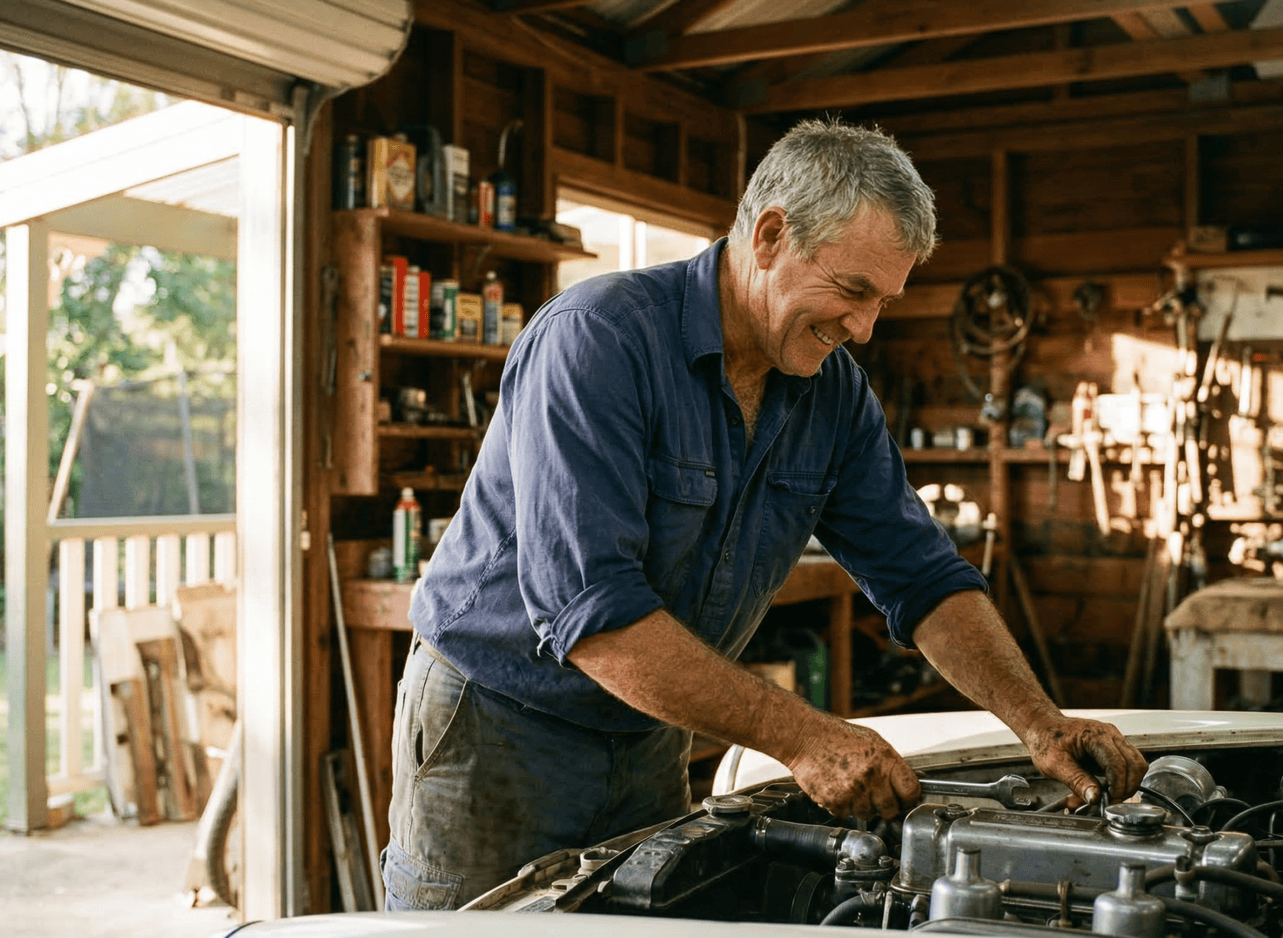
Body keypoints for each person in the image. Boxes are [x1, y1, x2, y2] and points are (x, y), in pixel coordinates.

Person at [380, 117, 1148, 912]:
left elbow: (919, 574)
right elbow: (593, 613)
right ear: (772, 234)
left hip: (648, 732)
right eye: (852, 291)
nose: (863, 329)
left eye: (883, 301)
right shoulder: (597, 339)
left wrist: (1040, 723)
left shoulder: (834, 391)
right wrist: (804, 738)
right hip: (499, 728)